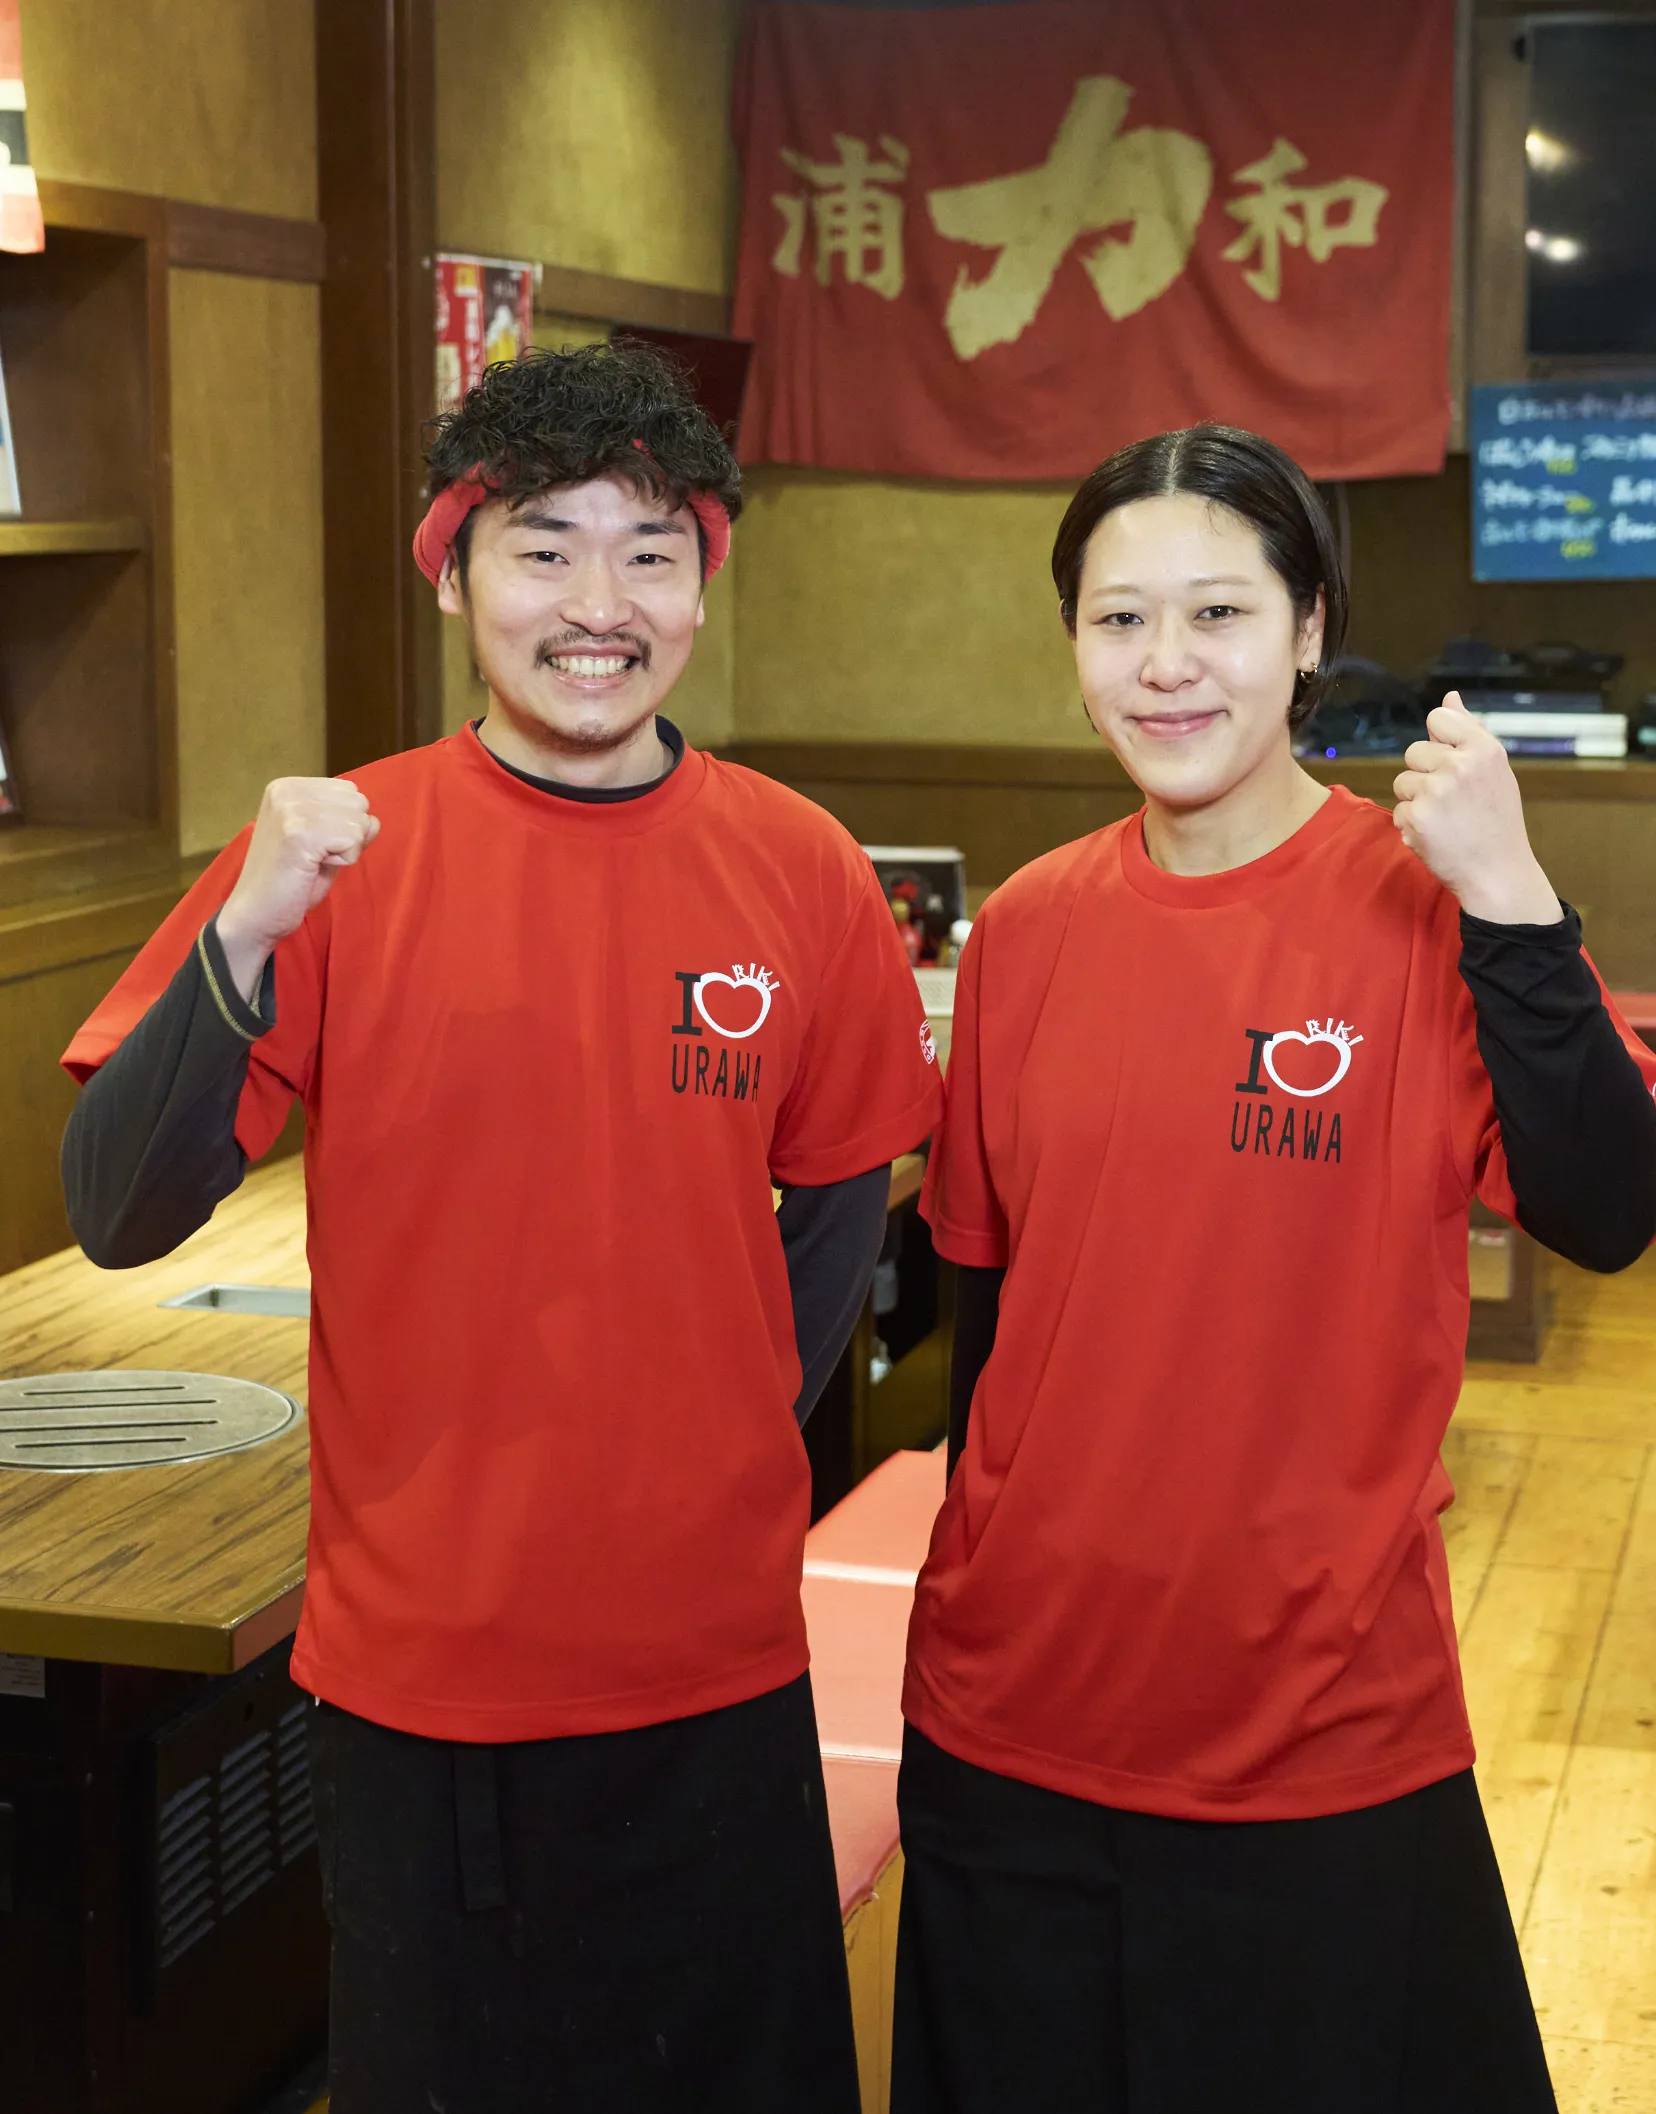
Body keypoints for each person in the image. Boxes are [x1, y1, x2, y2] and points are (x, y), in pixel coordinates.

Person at [60, 341, 943, 2114]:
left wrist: (708, 1436)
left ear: (702, 584)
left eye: (649, 552)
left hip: (718, 1666)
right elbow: (120, 1207)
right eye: (544, 548)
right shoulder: (336, 856)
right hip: (427, 1680)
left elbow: (844, 1198)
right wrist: (245, 930)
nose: (598, 605)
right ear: (455, 573)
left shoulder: (799, 865)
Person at [893, 424, 1656, 2114]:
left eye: (1220, 613)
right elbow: (990, 1318)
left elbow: (1612, 1205)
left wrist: (1514, 895)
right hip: (1012, 1715)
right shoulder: (1028, 929)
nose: (1166, 664)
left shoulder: (1427, 907)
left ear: (1311, 629)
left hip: (1319, 1730)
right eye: (1119, 619)